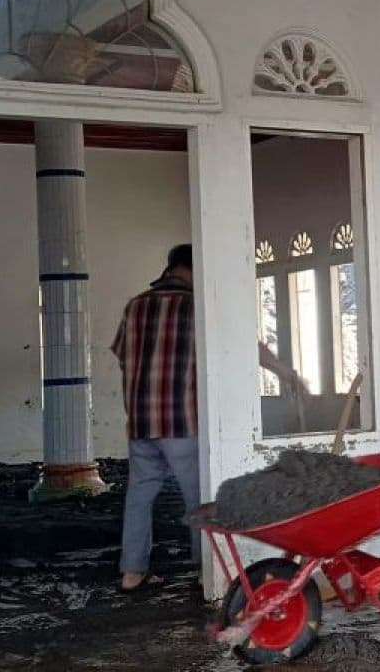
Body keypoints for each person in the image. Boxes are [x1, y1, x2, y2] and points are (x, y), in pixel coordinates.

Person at [112, 244, 305, 592]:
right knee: (197, 500)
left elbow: (122, 354)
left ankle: (132, 572)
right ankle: (206, 571)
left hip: (140, 421)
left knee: (139, 495)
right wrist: (283, 371)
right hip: (181, 420)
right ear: (191, 270)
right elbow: (244, 342)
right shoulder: (195, 307)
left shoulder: (135, 305)